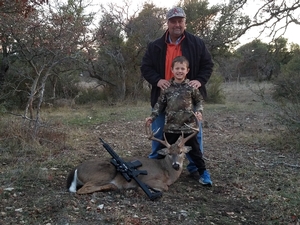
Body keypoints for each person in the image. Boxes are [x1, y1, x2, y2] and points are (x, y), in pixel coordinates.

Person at [141, 6, 214, 180]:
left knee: (193, 135)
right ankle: (156, 163)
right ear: (167, 23)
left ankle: (196, 168)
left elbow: (208, 65)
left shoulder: (197, 43)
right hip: (163, 96)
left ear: (185, 22)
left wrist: (200, 80)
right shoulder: (155, 46)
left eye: (180, 21)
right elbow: (145, 67)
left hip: (188, 100)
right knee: (159, 133)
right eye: (173, 21)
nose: (177, 24)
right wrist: (158, 80)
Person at [145, 56, 212, 186]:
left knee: (196, 153)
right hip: (171, 128)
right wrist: (152, 117)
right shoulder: (167, 88)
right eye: (177, 68)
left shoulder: (191, 87)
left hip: (188, 128)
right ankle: (154, 173)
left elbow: (199, 101)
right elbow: (159, 105)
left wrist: (199, 111)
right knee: (162, 152)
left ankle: (203, 173)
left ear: (187, 70)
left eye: (182, 68)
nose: (180, 71)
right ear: (172, 70)